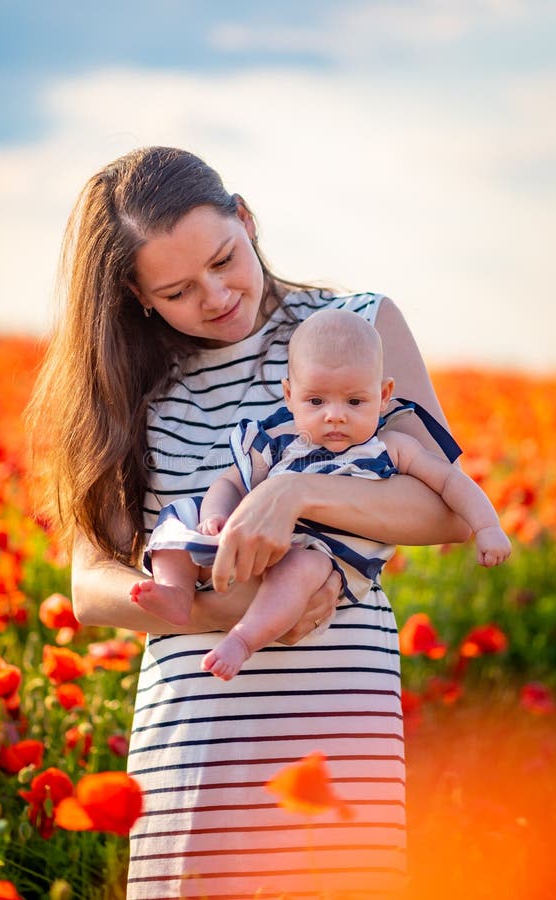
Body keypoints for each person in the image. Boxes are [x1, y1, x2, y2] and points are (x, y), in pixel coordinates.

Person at [27, 146, 473, 899]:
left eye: (224, 259)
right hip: (196, 735)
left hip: (337, 719)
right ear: (136, 296)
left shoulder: (358, 326)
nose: (215, 295)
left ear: (246, 217)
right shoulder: (130, 385)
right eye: (175, 290)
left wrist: (293, 494)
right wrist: (231, 609)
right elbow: (91, 585)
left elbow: (441, 507)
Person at [131, 308, 510, 681]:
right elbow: (229, 483)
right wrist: (216, 515)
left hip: (327, 558)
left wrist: (487, 526)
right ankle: (175, 591)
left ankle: (243, 640)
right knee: (180, 515)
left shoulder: (391, 447)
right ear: (290, 396)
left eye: (354, 401)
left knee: (302, 569)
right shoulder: (279, 443)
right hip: (254, 541)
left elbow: (450, 482)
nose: (334, 415)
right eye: (316, 402)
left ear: (383, 395)